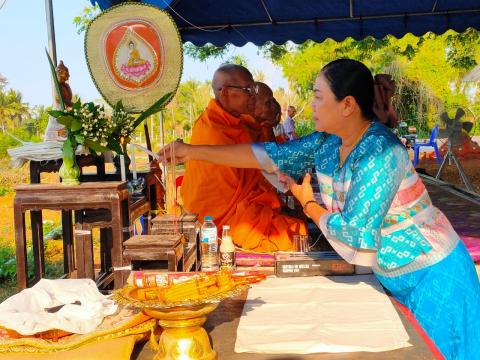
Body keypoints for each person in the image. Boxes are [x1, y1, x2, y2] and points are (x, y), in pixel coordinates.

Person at [160, 59, 480, 359]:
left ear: (347, 105)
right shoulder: (326, 142)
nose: (310, 104)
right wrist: (190, 151)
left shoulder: (382, 152)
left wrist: (309, 205)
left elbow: (356, 236)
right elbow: (271, 155)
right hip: (391, 274)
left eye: (317, 96)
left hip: (434, 275)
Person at [178, 64, 307, 252]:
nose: (253, 98)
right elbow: (258, 167)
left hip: (247, 208)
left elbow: (261, 166)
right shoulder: (213, 130)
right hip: (219, 221)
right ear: (225, 93)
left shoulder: (239, 124)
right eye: (248, 91)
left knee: (299, 226)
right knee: (297, 234)